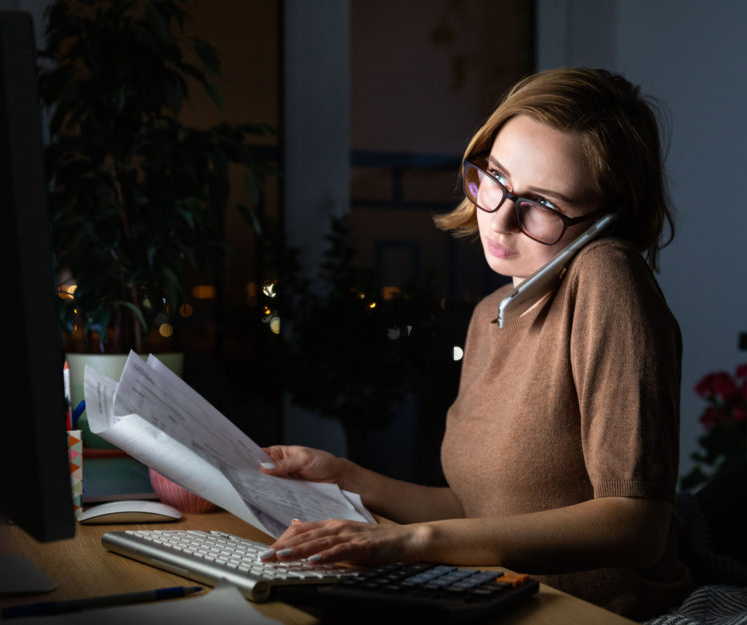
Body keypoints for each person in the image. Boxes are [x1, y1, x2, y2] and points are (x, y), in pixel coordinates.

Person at [259, 67, 694, 620]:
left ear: (606, 222)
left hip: (590, 612)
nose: (501, 216)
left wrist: (415, 543)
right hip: (497, 598)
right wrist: (346, 477)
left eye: (543, 204)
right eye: (496, 177)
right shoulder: (492, 313)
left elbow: (638, 527)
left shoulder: (608, 275)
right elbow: (476, 508)